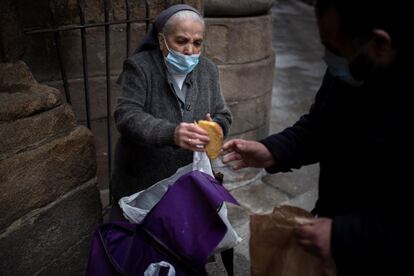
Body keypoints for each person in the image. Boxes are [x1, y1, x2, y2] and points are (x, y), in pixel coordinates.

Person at [222, 0, 413, 275]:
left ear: (380, 44)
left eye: (334, 49)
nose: (327, 58)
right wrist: (271, 150)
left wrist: (345, 236)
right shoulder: (355, 66)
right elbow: (322, 126)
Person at [110, 4, 232, 220]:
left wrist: (215, 128)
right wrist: (171, 133)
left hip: (189, 180)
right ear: (161, 40)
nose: (190, 50)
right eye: (181, 41)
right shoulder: (140, 68)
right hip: (143, 181)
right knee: (142, 246)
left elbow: (223, 114)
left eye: (197, 43)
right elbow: (127, 115)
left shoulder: (208, 70)